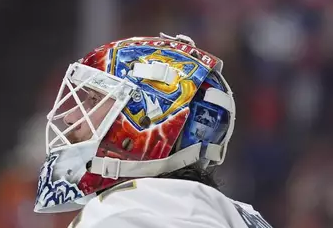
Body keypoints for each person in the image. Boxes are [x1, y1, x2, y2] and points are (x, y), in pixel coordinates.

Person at [33, 33, 273, 228]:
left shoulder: (127, 214)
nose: (71, 117)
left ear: (147, 121)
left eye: (94, 100)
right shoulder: (246, 216)